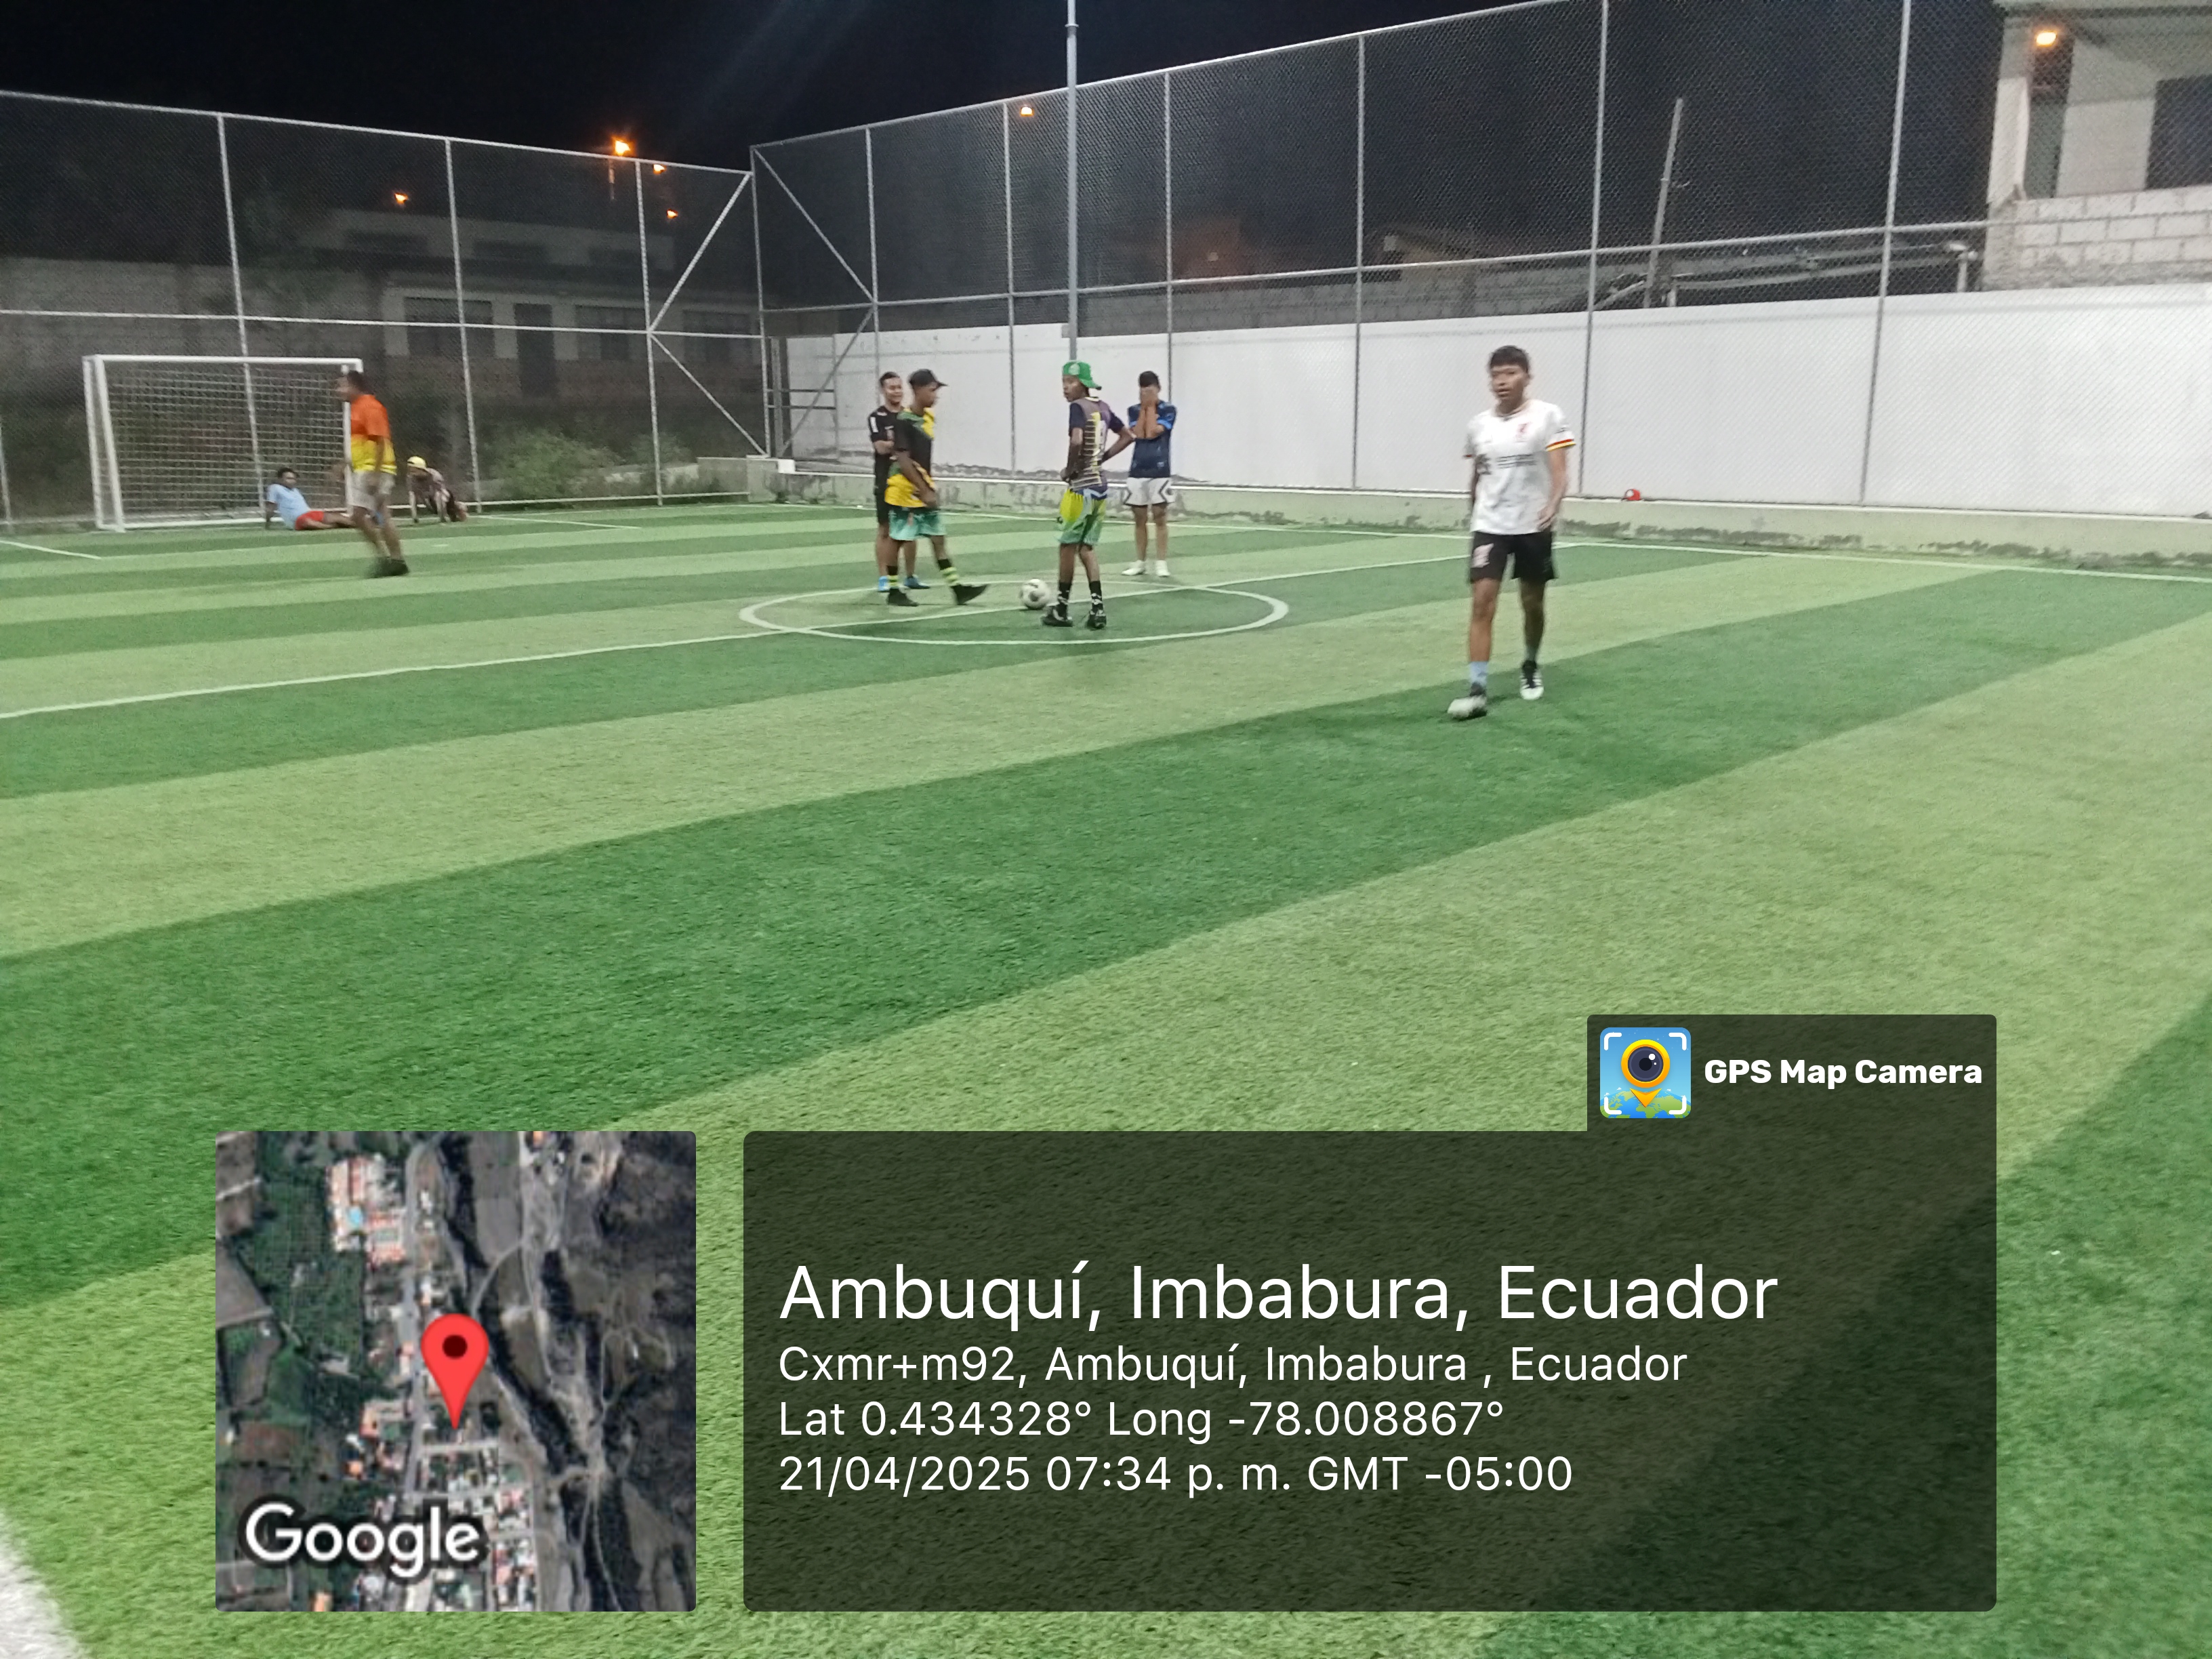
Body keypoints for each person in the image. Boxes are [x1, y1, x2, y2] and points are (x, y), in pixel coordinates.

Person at [1448, 345, 1574, 719]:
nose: (1502, 381)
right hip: (1490, 526)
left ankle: (1530, 664)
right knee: (1482, 602)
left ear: (1527, 377)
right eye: (1496, 375)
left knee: (1532, 603)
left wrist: (1553, 504)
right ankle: (1477, 689)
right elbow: (1478, 474)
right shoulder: (1478, 426)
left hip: (1533, 525)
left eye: (1510, 373)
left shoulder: (1548, 416)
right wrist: (1474, 509)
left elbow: (1560, 470)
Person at [881, 369, 985, 609]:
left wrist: (927, 486)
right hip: (904, 489)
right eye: (932, 390)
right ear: (918, 390)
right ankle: (894, 590)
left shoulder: (927, 417)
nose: (935, 395)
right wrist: (924, 489)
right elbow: (903, 460)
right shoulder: (904, 421)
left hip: (922, 486)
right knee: (897, 539)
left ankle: (957, 589)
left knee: (938, 537)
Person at [1046, 361, 1132, 630]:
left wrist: (1070, 470)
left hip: (1080, 489)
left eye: (1070, 382)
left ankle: (1061, 608)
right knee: (1087, 548)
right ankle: (1098, 609)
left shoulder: (1077, 408)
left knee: (1067, 547)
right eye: (1063, 382)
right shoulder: (1103, 408)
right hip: (1100, 488)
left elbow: (1076, 441)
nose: (1065, 387)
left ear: (1083, 384)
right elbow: (1127, 436)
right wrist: (1102, 458)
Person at [335, 369, 408, 577]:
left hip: (374, 470)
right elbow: (364, 445)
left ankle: (389, 559)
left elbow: (380, 441)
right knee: (375, 515)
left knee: (365, 515)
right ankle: (394, 560)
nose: (339, 391)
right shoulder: (359, 408)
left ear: (354, 386)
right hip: (366, 469)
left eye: (342, 386)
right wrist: (345, 464)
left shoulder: (370, 406)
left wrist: (375, 474)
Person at [867, 371, 922, 591]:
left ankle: (910, 576)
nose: (897, 391)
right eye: (892, 388)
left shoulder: (910, 416)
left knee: (910, 527)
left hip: (908, 480)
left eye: (899, 387)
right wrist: (901, 443)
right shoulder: (877, 417)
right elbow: (880, 447)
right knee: (885, 528)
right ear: (883, 390)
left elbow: (920, 448)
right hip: (886, 479)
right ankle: (884, 578)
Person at [1120, 370, 1176, 579]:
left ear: (1158, 388)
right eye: (1142, 389)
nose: (1145, 393)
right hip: (1138, 470)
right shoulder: (1134, 410)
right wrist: (1145, 408)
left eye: (1149, 389)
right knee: (1139, 517)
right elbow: (1140, 433)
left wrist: (1152, 407)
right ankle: (1140, 562)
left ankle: (1161, 562)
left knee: (1160, 516)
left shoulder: (1169, 410)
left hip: (1159, 470)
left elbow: (1153, 432)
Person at [262, 468, 334, 531]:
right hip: (297, 520)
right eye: (289, 479)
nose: (292, 481)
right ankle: (331, 526)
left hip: (309, 514)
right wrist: (268, 523)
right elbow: (271, 507)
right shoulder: (275, 488)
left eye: (294, 479)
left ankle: (331, 525)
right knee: (306, 522)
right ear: (280, 479)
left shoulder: (295, 490)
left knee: (336, 518)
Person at [405, 456, 467, 523]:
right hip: (428, 498)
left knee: (441, 498)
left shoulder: (434, 476)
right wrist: (415, 517)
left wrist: (442, 518)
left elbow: (441, 493)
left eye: (413, 470)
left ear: (421, 469)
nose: (411, 472)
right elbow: (413, 495)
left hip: (442, 496)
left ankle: (458, 507)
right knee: (432, 507)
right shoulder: (411, 478)